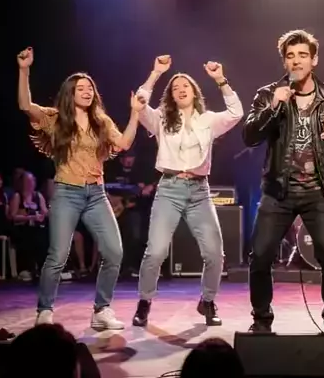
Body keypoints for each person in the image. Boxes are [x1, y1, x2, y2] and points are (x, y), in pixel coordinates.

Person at [243, 29, 324, 333]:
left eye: (302, 55)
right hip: (278, 192)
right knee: (260, 256)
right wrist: (273, 107)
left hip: (317, 191)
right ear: (284, 62)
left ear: (314, 60)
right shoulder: (268, 95)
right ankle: (261, 319)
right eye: (290, 56)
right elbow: (250, 136)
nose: (296, 61)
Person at [17, 46, 142, 329]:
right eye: (81, 88)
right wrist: (24, 70)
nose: (87, 91)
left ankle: (102, 310)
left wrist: (135, 113)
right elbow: (25, 106)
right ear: (70, 93)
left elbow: (123, 143)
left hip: (96, 194)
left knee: (114, 252)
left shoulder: (101, 121)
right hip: (67, 193)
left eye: (90, 88)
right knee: (57, 256)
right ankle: (45, 310)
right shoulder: (55, 118)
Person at [132, 55, 243, 327]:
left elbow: (236, 113)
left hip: (199, 191)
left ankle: (208, 301)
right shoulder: (161, 119)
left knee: (215, 253)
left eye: (185, 85)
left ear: (195, 91)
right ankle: (144, 301)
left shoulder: (208, 120)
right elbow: (141, 103)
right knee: (155, 252)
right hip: (169, 189)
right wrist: (156, 73)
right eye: (175, 87)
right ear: (171, 95)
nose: (181, 89)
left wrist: (220, 80)